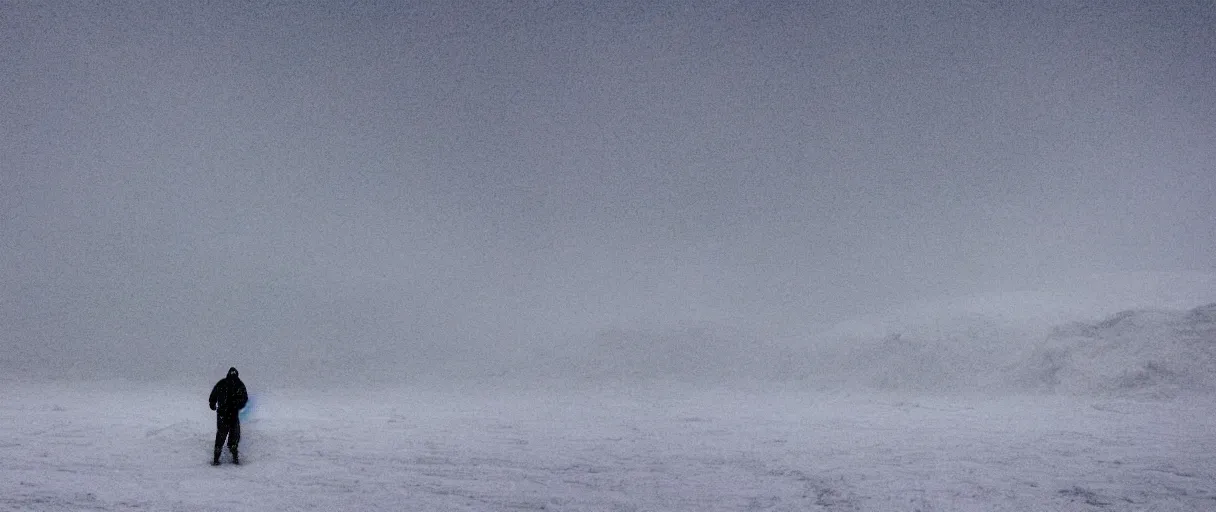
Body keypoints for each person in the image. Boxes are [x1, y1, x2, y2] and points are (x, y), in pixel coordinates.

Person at [208, 367, 248, 465]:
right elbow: (213, 395)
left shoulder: (234, 384)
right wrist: (212, 403)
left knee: (229, 436)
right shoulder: (233, 384)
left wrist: (213, 404)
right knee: (227, 436)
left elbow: (244, 398)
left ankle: (227, 457)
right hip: (226, 414)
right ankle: (223, 458)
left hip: (229, 415)